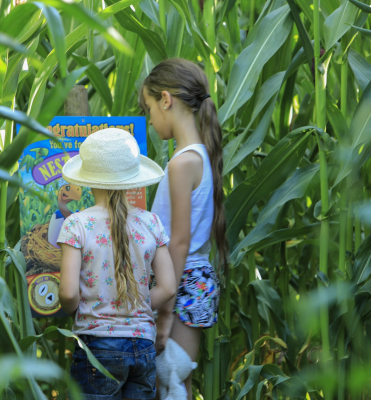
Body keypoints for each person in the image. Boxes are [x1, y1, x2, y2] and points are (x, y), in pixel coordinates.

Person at [57, 128, 177, 400]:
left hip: (96, 347)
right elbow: (168, 287)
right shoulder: (151, 223)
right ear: (132, 180)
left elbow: (67, 293)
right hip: (143, 345)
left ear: (89, 180)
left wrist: (78, 309)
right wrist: (137, 305)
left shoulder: (77, 224)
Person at [139, 58, 229, 400]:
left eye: (149, 107)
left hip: (180, 280)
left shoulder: (181, 163)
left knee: (169, 380)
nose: (150, 118)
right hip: (195, 278)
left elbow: (178, 242)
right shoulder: (200, 156)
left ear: (166, 99)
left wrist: (163, 311)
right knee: (178, 383)